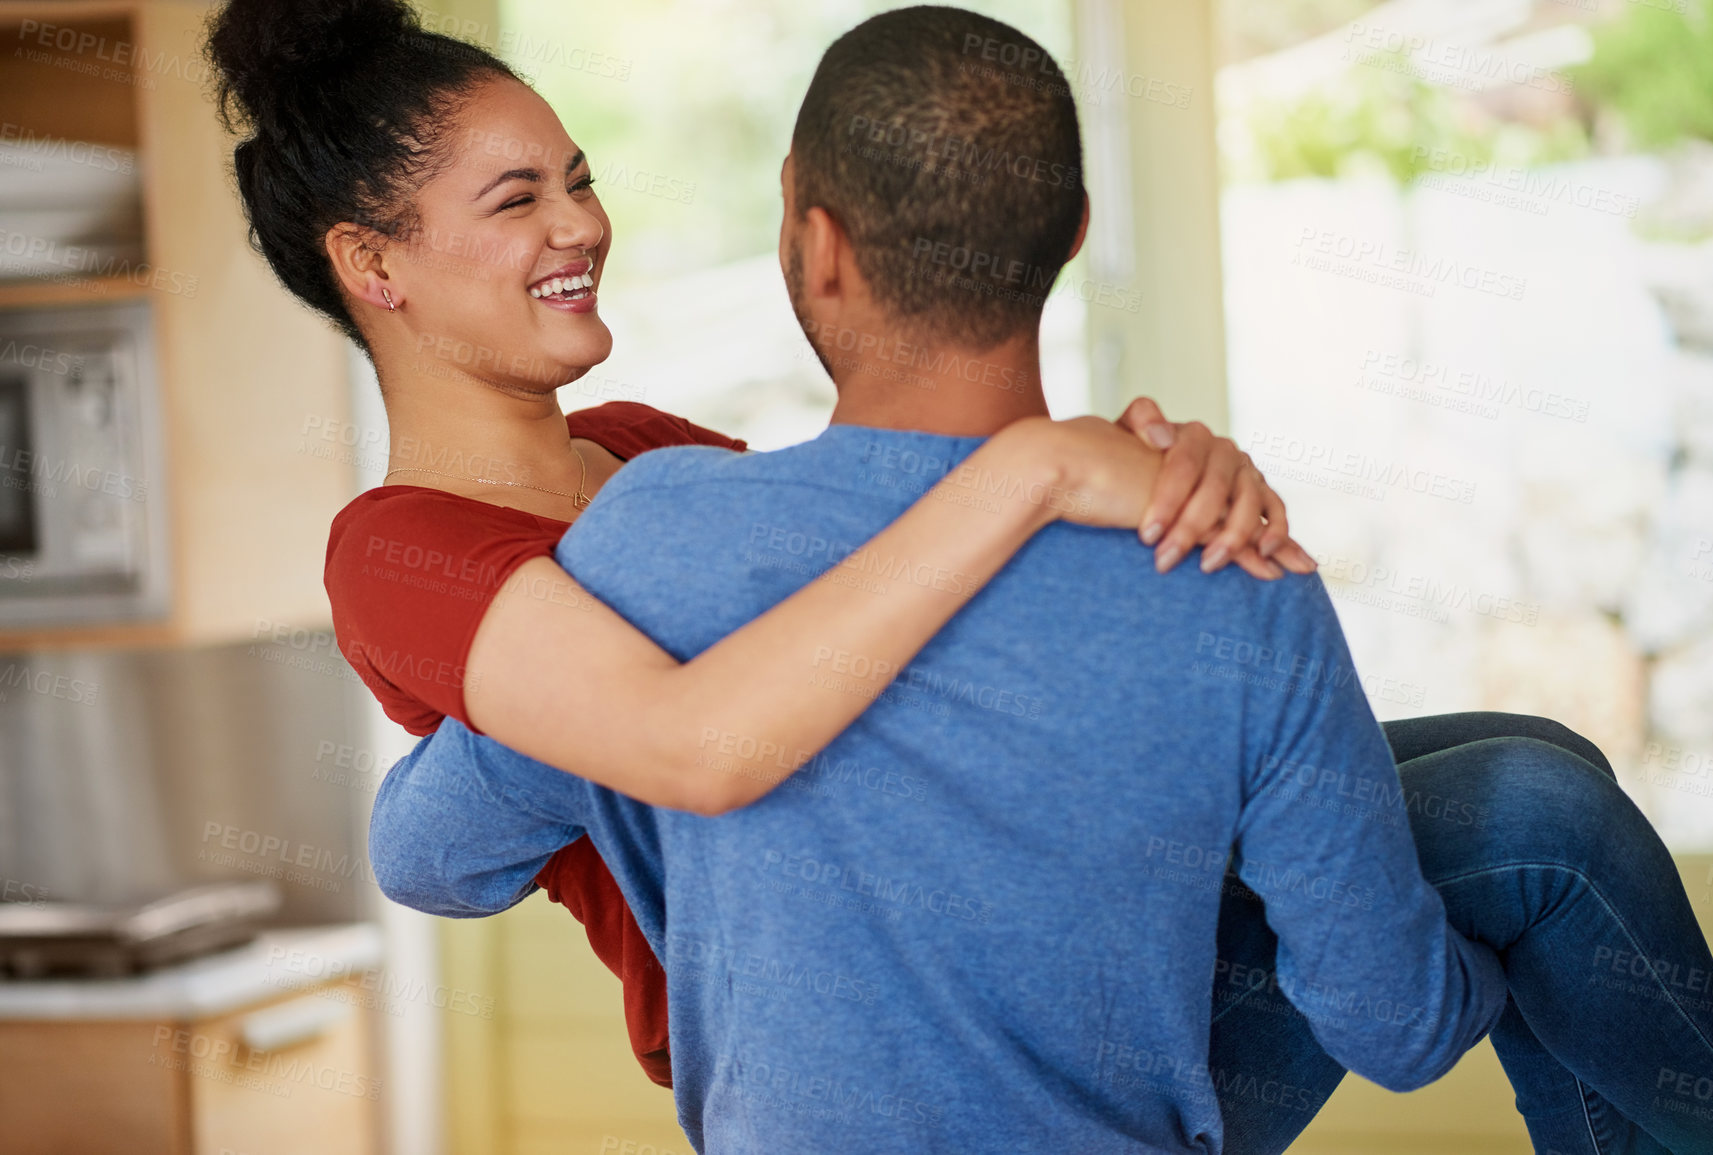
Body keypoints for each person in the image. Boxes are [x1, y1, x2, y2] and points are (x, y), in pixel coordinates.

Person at [365, 7, 1713, 1154]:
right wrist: (1473, 984)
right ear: (1072, 231)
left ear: (813, 239)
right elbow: (1392, 1028)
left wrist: (625, 675)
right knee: (1537, 809)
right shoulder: (1224, 564)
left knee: (1526, 768)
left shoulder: (644, 535)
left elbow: (429, 856)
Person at [202, 0, 1313, 1091]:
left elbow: (902, 585)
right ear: (372, 263)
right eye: (517, 199)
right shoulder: (397, 551)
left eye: (581, 180)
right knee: (1490, 835)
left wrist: (1158, 478)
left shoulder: (648, 449)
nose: (581, 223)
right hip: (835, 1053)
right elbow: (698, 748)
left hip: (983, 929)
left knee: (1480, 790)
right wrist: (1041, 468)